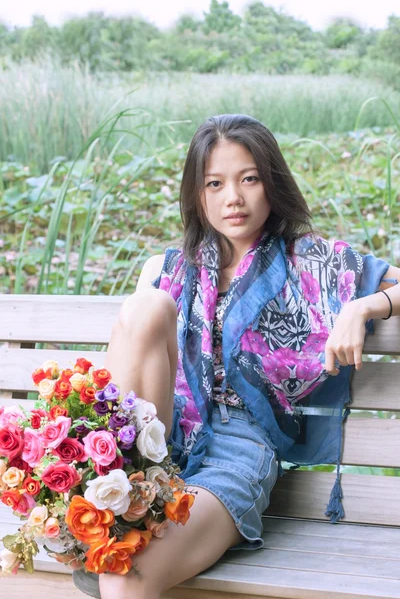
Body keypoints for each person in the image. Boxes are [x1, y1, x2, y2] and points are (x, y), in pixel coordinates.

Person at [73, 114, 400, 599]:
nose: (234, 197)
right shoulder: (167, 269)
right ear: (197, 193)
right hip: (161, 438)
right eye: (215, 183)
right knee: (147, 304)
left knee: (122, 573)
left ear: (271, 183)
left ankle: (117, 525)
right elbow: (122, 374)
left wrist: (366, 304)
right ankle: (118, 492)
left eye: (249, 179)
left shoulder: (313, 261)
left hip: (238, 451)